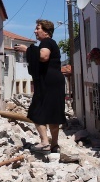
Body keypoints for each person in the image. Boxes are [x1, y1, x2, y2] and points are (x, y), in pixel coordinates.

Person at [14, 19, 66, 154]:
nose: (35, 31)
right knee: (54, 113)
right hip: (55, 81)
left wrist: (27, 50)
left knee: (37, 111)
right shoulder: (51, 43)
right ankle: (54, 145)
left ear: (46, 31)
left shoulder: (46, 42)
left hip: (47, 82)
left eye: (38, 28)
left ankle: (44, 143)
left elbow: (43, 57)